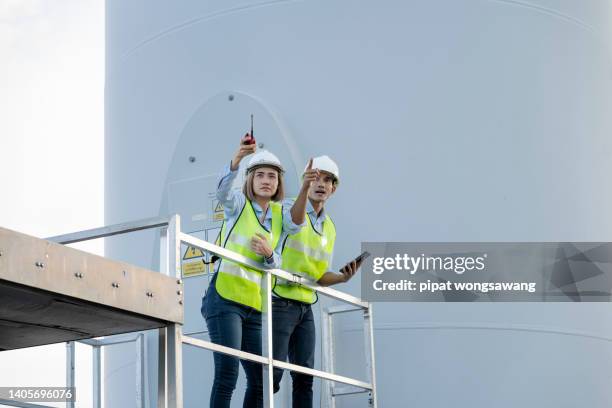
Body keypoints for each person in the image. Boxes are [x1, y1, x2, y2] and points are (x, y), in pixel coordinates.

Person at [200, 134, 316, 408]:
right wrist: (237, 159)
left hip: (255, 306)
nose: (266, 180)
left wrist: (269, 254)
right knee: (227, 375)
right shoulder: (238, 206)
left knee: (262, 381)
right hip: (225, 299)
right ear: (250, 180)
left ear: (278, 184)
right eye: (260, 175)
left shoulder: (279, 216)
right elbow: (223, 194)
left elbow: (284, 247)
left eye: (272, 177)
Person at [271, 155, 362, 408]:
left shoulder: (329, 227)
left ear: (334, 188)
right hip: (279, 300)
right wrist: (302, 189)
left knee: (305, 376)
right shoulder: (287, 207)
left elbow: (320, 275)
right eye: (315, 177)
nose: (321, 184)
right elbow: (295, 222)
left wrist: (342, 277)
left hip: (305, 306)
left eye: (328, 180)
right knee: (271, 375)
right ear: (305, 182)